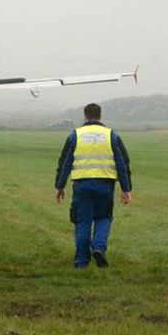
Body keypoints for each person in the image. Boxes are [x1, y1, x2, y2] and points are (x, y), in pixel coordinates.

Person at [55, 102, 132, 268]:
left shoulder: (75, 135)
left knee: (82, 221)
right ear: (100, 115)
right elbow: (122, 163)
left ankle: (82, 262)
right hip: (105, 184)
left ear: (85, 116)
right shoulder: (111, 136)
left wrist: (60, 186)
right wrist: (126, 189)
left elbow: (65, 162)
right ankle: (98, 247)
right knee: (103, 217)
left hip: (82, 185)